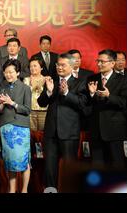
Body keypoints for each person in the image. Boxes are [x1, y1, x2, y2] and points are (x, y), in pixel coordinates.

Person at [37, 53, 87, 191]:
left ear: (72, 66)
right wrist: (48, 91)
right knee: (49, 167)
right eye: (58, 65)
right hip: (51, 132)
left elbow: (82, 104)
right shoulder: (52, 81)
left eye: (63, 65)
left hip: (69, 132)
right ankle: (50, 190)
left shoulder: (80, 82)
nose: (59, 67)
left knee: (69, 167)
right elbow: (41, 102)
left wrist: (66, 94)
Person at [86, 49, 127, 167]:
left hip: (114, 130)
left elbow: (124, 102)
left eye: (102, 62)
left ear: (112, 63)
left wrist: (109, 96)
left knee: (117, 165)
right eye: (98, 61)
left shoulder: (123, 79)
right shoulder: (91, 79)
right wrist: (92, 94)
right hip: (96, 130)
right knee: (97, 166)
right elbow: (86, 104)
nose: (99, 64)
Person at [0, 59, 31, 193]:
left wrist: (12, 103)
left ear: (17, 72)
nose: (8, 75)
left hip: (20, 128)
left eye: (11, 72)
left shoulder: (25, 88)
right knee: (10, 160)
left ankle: (24, 190)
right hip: (6, 127)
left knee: (23, 160)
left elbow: (27, 109)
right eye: (6, 72)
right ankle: (11, 190)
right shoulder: (2, 87)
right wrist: (1, 104)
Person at [23, 58, 48, 131]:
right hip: (30, 111)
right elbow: (25, 94)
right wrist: (33, 86)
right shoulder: (26, 80)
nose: (32, 68)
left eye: (35, 66)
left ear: (41, 68)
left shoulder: (47, 79)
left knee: (43, 133)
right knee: (31, 134)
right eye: (31, 66)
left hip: (43, 111)